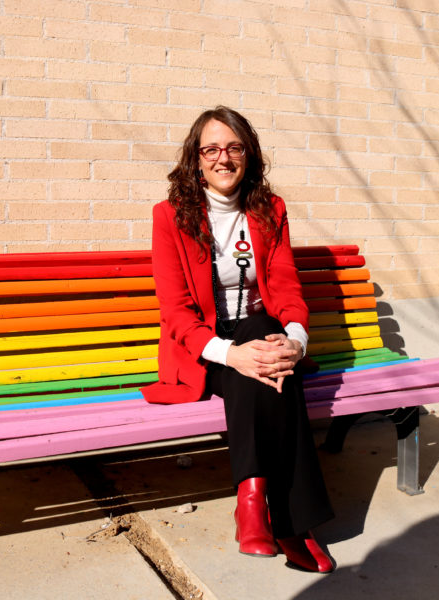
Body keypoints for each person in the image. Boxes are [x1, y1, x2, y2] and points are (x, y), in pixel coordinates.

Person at [141, 106, 336, 573]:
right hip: (202, 350)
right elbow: (176, 311)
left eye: (233, 147)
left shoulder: (270, 210)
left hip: (259, 337)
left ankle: (252, 503)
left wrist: (295, 339)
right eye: (211, 149)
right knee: (265, 366)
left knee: (266, 348)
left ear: (249, 154)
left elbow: (285, 284)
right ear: (196, 158)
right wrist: (229, 354)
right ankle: (293, 525)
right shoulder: (171, 217)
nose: (222, 158)